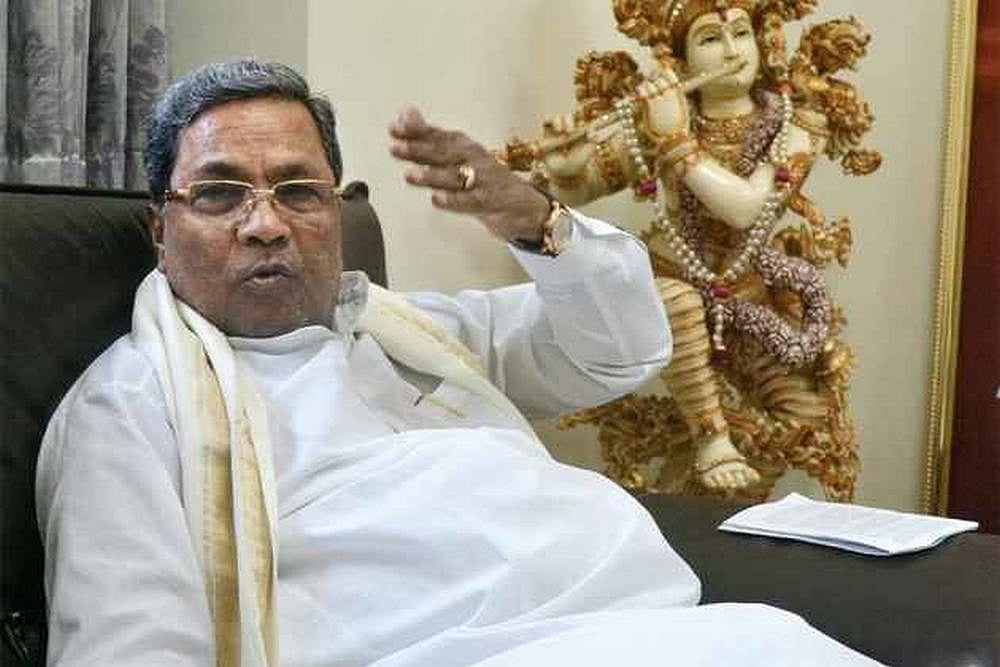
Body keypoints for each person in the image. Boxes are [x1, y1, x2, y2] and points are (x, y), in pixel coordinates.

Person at [36, 59, 880, 666]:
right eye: (220, 193)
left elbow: (622, 347)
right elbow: (130, 646)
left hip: (667, 627)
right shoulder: (131, 406)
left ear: (334, 211)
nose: (264, 224)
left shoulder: (406, 329)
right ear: (160, 229)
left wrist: (538, 221)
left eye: (297, 191)